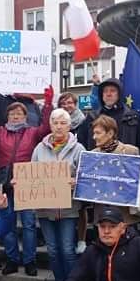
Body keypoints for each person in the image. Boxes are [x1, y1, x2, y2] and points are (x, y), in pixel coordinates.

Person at [0, 85, 53, 276]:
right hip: (4, 183)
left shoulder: (33, 133)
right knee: (7, 224)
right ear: (7, 117)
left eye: (19, 113)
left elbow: (47, 127)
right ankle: (12, 259)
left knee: (28, 224)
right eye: (12, 114)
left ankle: (29, 260)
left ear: (25, 117)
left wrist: (49, 104)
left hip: (26, 182)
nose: (16, 116)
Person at [30, 108, 85, 281]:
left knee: (67, 250)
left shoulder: (79, 149)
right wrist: (22, 184)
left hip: (68, 209)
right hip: (45, 209)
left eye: (63, 123)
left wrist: (75, 181)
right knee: (53, 251)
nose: (59, 126)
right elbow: (32, 175)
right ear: (50, 125)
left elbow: (86, 177)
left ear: (69, 126)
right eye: (55, 122)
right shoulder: (39, 148)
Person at [90, 115, 140, 225]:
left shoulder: (131, 151)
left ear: (110, 133)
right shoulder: (92, 156)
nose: (94, 137)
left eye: (98, 133)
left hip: (125, 217)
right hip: (102, 217)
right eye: (94, 133)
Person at [77, 78, 140, 156]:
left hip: (126, 164)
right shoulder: (92, 117)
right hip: (97, 163)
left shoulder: (133, 117)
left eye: (112, 91)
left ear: (119, 94)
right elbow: (81, 143)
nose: (108, 94)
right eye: (105, 91)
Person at [58, 91, 90, 253]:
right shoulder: (57, 123)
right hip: (60, 173)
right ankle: (67, 240)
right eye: (63, 103)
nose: (66, 106)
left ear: (75, 104)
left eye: (69, 102)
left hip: (78, 168)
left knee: (81, 208)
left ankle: (82, 240)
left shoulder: (84, 122)